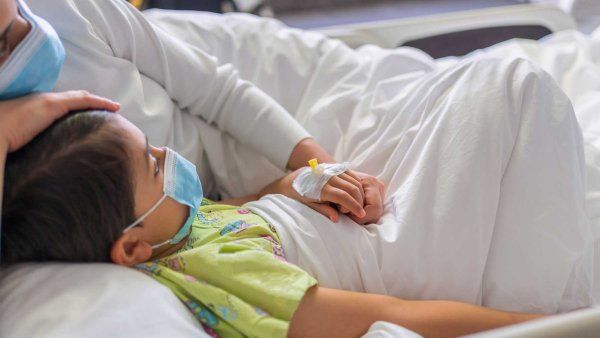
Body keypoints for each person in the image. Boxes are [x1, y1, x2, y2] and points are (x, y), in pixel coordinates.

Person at [1, 110, 544, 338]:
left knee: (496, 96)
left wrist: (308, 183)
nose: (167, 153)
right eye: (151, 162)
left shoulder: (181, 223)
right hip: (389, 252)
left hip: (348, 211)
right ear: (131, 248)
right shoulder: (220, 271)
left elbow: (252, 202)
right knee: (510, 93)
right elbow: (392, 313)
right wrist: (539, 325)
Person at [0, 0, 384, 223]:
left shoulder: (67, 9)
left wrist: (325, 168)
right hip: (187, 211)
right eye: (4, 45)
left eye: (19, 12)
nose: (30, 34)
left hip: (211, 135)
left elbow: (217, 91)